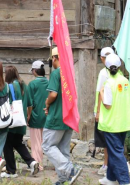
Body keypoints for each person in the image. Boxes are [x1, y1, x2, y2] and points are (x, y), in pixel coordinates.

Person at [42, 47, 82, 185]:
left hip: (56, 117)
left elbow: (53, 94)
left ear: (55, 58)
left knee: (47, 146)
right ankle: (64, 179)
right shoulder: (70, 73)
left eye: (52, 59)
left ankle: (70, 169)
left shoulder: (56, 73)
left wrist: (47, 103)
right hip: (68, 116)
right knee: (63, 149)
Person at [98, 54, 130, 185]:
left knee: (117, 152)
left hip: (111, 124)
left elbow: (107, 105)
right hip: (123, 122)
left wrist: (101, 92)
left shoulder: (108, 83)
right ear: (119, 67)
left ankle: (125, 181)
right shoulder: (125, 81)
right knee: (115, 150)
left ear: (107, 68)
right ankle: (111, 178)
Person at [2, 66, 39, 178]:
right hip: (21, 121)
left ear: (8, 75)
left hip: (11, 123)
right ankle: (32, 162)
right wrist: (28, 116)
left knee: (7, 145)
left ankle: (11, 171)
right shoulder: (24, 85)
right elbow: (29, 104)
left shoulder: (9, 86)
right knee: (18, 143)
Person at [95, 47, 114, 176]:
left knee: (106, 141)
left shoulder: (103, 72)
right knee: (111, 141)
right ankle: (107, 165)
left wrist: (98, 112)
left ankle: (106, 165)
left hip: (104, 111)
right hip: (114, 111)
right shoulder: (119, 73)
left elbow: (99, 93)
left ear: (102, 58)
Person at [27, 60, 49, 169]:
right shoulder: (49, 82)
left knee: (36, 143)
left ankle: (37, 164)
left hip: (35, 117)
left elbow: (29, 103)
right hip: (47, 116)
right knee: (44, 141)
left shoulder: (32, 84)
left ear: (35, 71)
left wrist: (28, 116)